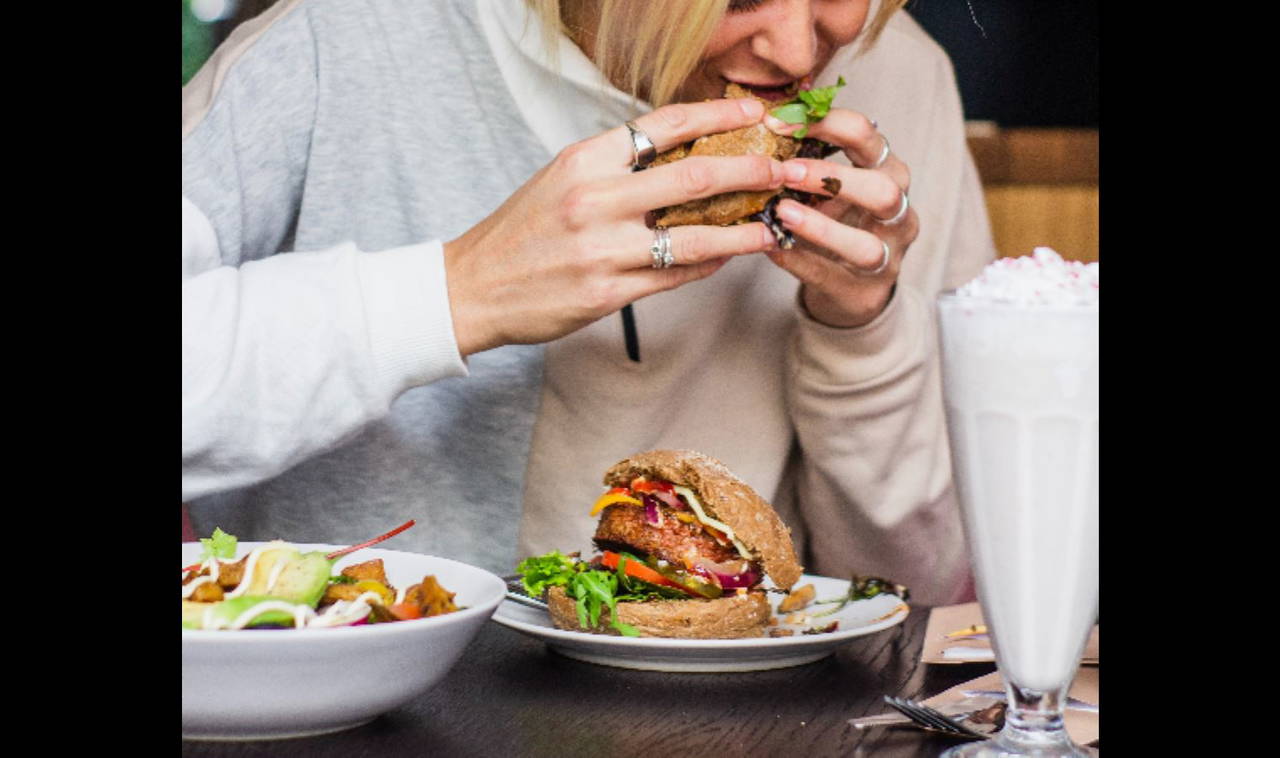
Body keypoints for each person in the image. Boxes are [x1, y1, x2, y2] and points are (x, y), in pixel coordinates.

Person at [182, 0, 996, 605]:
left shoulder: (904, 83)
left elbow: (920, 589)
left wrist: (861, 327)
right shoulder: (341, 40)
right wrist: (457, 291)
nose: (797, 47)